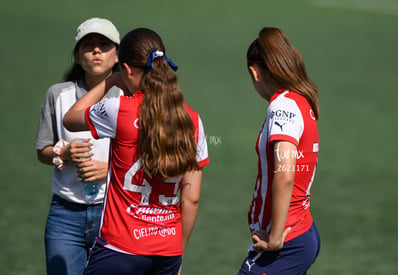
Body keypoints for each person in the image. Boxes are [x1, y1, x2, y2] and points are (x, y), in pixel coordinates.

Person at [63, 27, 209, 275]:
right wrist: (178, 252)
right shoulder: (192, 119)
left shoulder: (119, 109)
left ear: (127, 69)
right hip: (168, 252)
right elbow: (191, 197)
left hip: (119, 248)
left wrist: (111, 80)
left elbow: (71, 118)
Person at [34, 17, 122, 275]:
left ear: (117, 55)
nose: (96, 51)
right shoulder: (57, 94)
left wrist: (107, 169)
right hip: (64, 214)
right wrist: (65, 153)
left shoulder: (130, 97)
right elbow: (42, 151)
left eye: (104, 45)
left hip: (113, 212)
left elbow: (147, 157)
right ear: (76, 54)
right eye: (88, 45)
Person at [237, 27, 321, 275]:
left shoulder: (282, 105)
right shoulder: (301, 99)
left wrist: (274, 238)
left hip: (285, 241)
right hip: (300, 230)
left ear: (255, 72)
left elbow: (284, 174)